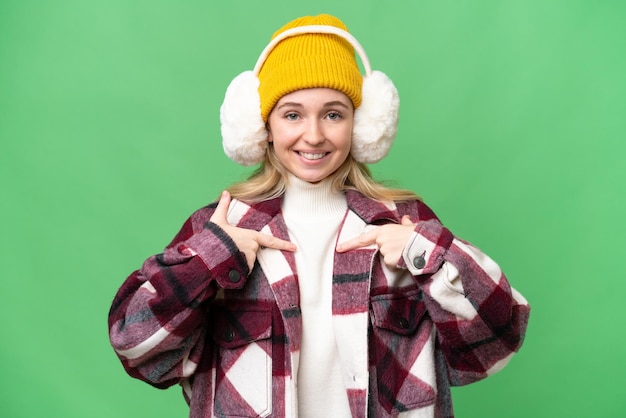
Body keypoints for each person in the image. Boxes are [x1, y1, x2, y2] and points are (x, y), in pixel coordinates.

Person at [108, 14, 530, 418]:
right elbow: (137, 346)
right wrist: (210, 258)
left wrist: (426, 253)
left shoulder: (402, 222)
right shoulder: (223, 226)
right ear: (263, 126)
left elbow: (496, 340)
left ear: (361, 125)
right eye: (292, 114)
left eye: (333, 114)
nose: (313, 135)